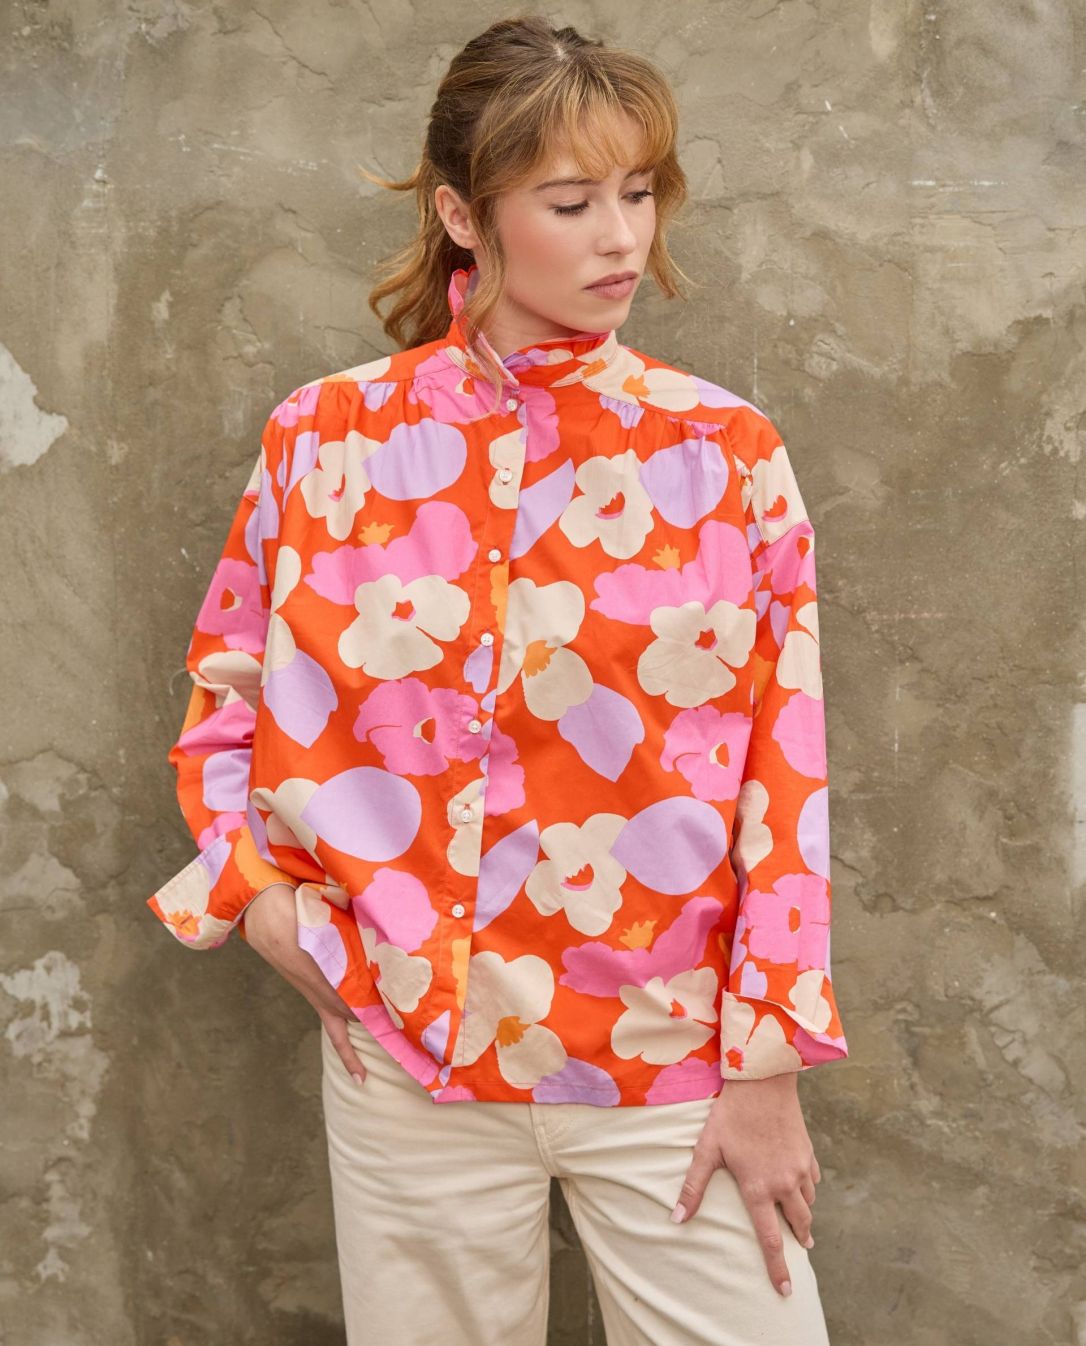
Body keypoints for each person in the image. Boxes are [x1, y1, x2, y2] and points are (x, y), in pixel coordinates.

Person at [147, 14, 848, 1345]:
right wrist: (254, 895)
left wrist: (765, 1066)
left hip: (667, 1056)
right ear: (463, 216)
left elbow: (785, 764)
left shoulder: (725, 453)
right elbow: (226, 692)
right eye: (572, 203)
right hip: (408, 1054)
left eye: (638, 192)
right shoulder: (325, 441)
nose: (620, 238)